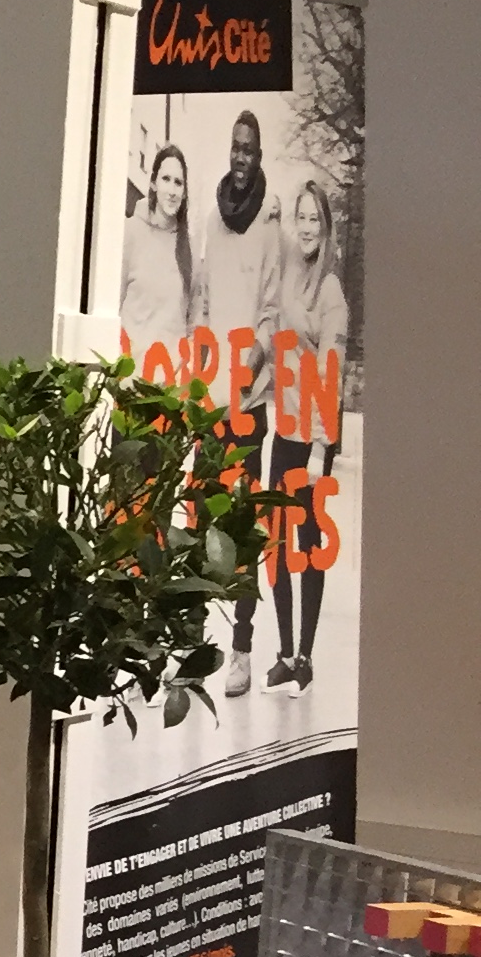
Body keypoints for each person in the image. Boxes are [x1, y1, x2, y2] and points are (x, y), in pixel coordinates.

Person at [200, 112, 285, 696]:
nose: (240, 156)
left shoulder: (269, 224)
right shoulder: (212, 218)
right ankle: (191, 642)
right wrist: (208, 371)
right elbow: (206, 302)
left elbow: (271, 314)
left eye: (249, 149)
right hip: (212, 399)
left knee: (245, 524)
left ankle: (243, 649)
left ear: (259, 155)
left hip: (248, 400)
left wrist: (247, 370)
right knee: (202, 516)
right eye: (235, 146)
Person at [267, 176, 352, 689]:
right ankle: (282, 653)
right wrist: (275, 210)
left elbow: (330, 372)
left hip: (312, 439)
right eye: (300, 217)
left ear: (325, 226)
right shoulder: (291, 272)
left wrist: (321, 446)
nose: (305, 227)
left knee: (308, 544)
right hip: (284, 429)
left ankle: (305, 657)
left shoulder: (331, 290)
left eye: (313, 218)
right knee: (276, 544)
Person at [119, 139, 201, 356]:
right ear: (153, 183)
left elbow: (194, 325)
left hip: (172, 376)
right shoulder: (129, 233)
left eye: (178, 183)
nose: (172, 190)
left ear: (184, 192)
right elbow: (112, 309)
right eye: (166, 179)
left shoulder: (190, 248)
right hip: (130, 372)